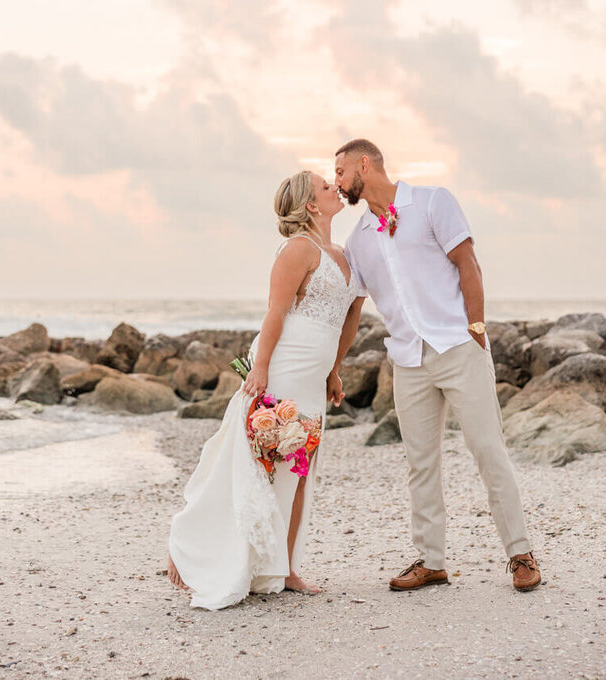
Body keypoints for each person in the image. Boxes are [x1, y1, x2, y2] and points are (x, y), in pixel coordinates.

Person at [334, 139, 541, 593]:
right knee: (420, 463)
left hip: (458, 346)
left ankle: (521, 553)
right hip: (407, 360)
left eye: (341, 171)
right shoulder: (357, 239)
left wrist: (477, 327)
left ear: (364, 165)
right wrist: (334, 367)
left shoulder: (431, 201)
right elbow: (353, 309)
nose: (337, 182)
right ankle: (430, 561)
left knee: (489, 451)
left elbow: (467, 262)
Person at [167, 171, 363, 609]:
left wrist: (334, 371)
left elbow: (347, 320)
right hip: (283, 368)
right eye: (326, 187)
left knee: (299, 467)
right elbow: (275, 313)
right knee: (258, 464)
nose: (335, 188)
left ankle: (285, 567)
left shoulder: (344, 255)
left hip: (313, 377)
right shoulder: (299, 249)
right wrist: (261, 368)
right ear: (312, 205)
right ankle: (194, 545)